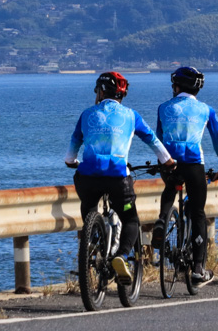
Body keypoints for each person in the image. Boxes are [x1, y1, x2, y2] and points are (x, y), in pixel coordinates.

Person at [65, 71, 176, 284]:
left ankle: (93, 242)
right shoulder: (131, 115)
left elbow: (71, 154)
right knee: (130, 219)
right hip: (118, 179)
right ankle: (122, 256)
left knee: (88, 207)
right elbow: (152, 140)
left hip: (88, 178)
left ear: (100, 91)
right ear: (121, 94)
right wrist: (168, 161)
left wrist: (73, 162)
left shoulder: (87, 114)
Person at [151, 65, 218, 287]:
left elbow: (158, 139)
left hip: (169, 161)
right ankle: (198, 268)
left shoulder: (162, 108)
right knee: (197, 212)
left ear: (177, 86)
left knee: (170, 188)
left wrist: (162, 162)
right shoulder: (206, 110)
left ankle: (162, 219)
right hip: (194, 163)